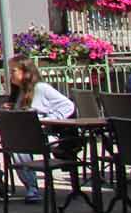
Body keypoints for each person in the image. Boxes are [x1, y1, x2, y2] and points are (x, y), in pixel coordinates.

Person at [6, 55, 77, 204]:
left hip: (48, 135)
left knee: (18, 145)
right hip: (25, 133)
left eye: (13, 71)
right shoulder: (19, 92)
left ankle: (32, 188)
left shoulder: (41, 88)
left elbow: (68, 106)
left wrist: (47, 120)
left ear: (26, 72)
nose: (9, 74)